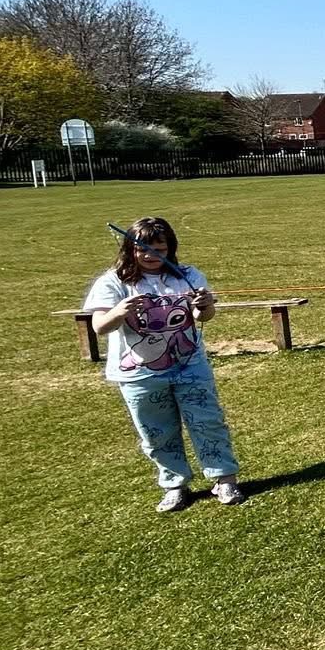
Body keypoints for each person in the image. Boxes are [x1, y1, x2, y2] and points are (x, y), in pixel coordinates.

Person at [84, 216, 242, 512]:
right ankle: (174, 484)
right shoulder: (113, 282)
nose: (151, 254)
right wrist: (119, 311)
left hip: (190, 366)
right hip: (138, 374)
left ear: (170, 247)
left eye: (159, 247)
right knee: (155, 431)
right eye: (143, 248)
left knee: (207, 422)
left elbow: (203, 318)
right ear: (129, 249)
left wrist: (204, 306)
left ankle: (224, 479)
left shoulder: (187, 275)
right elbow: (100, 327)